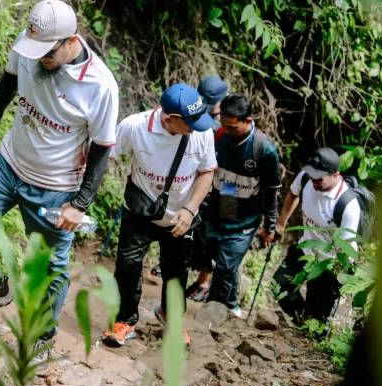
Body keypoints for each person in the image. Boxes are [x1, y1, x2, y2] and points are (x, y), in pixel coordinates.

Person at [0, 0, 119, 366]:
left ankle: (43, 336)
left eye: (48, 53)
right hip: (9, 163)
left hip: (55, 187)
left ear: (70, 40)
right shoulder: (30, 46)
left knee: (49, 267)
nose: (39, 58)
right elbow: (8, 80)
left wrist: (80, 203)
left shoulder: (100, 87)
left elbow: (102, 148)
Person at [103, 84, 217, 346]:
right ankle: (125, 320)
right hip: (140, 211)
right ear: (170, 119)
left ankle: (171, 318)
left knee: (176, 272)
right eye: (190, 123)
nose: (198, 127)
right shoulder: (134, 127)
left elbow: (206, 171)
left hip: (181, 216)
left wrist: (190, 209)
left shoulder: (202, 132)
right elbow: (105, 153)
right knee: (128, 266)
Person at [202, 95, 281, 316]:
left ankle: (220, 308)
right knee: (223, 262)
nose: (227, 130)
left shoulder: (264, 150)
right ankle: (232, 303)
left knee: (226, 265)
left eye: (232, 127)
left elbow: (272, 190)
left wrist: (270, 226)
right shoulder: (218, 135)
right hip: (219, 210)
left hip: (246, 219)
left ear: (248, 120)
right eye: (224, 125)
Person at [154, 75, 228, 299]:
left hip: (190, 181)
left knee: (191, 232)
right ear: (217, 101)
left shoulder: (189, 112)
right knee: (203, 235)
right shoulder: (209, 124)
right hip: (204, 184)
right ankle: (199, 281)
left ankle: (187, 275)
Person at [272, 147, 360, 323]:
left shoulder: (348, 205)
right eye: (312, 176)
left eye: (319, 178)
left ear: (335, 175)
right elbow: (293, 193)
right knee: (279, 286)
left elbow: (345, 247)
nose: (313, 181)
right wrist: (281, 224)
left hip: (330, 262)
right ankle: (300, 318)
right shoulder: (307, 178)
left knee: (317, 319)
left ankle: (310, 325)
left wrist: (339, 279)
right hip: (307, 248)